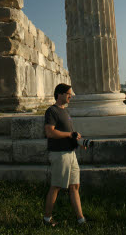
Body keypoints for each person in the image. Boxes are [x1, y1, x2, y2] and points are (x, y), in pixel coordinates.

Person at [43, 83, 86, 227]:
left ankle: (81, 220)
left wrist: (77, 140)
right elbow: (50, 132)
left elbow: (68, 134)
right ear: (59, 94)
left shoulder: (65, 112)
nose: (70, 96)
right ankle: (47, 219)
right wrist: (69, 134)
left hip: (71, 154)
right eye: (68, 93)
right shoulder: (52, 111)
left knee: (74, 187)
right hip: (59, 154)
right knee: (56, 187)